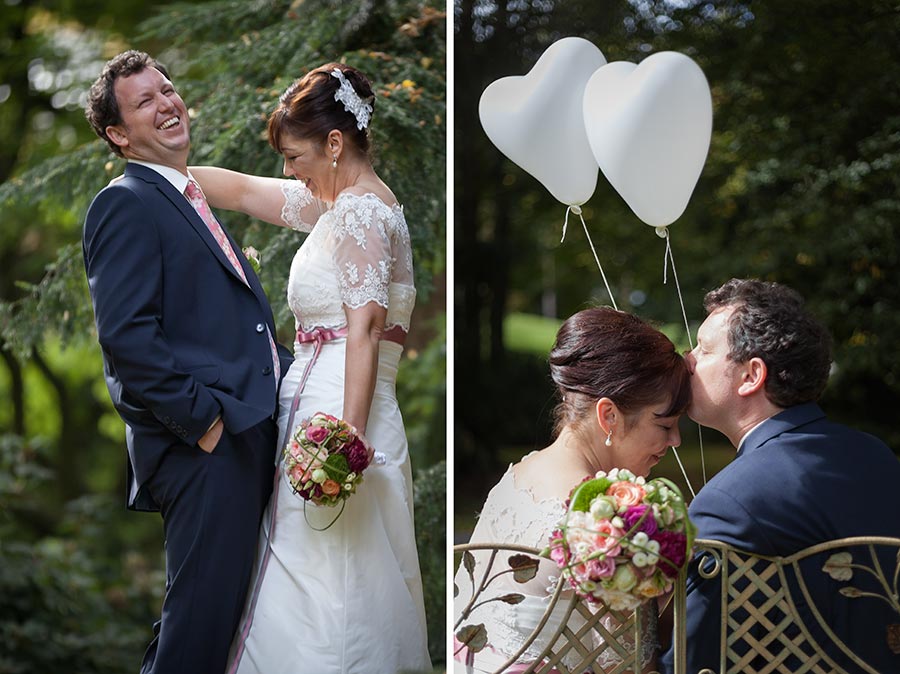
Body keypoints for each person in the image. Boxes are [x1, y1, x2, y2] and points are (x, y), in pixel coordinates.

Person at [186, 63, 430, 674]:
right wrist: (163, 173)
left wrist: (345, 441)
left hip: (342, 412)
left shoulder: (360, 215)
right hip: (315, 402)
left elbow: (367, 332)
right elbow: (241, 191)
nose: (288, 170)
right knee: (311, 570)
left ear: (334, 143)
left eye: (295, 156)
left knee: (336, 580)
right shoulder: (337, 205)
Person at [82, 51, 291, 674]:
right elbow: (127, 341)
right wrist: (205, 426)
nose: (167, 104)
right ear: (119, 134)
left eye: (167, 90)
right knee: (198, 634)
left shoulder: (187, 199)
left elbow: (229, 327)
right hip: (203, 449)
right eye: (144, 102)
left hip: (243, 436)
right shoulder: (125, 203)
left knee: (220, 626)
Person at [659, 278, 900, 674]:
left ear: (751, 376)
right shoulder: (876, 455)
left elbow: (695, 662)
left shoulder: (728, 502)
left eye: (703, 349)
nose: (687, 360)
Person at [453, 307, 691, 673]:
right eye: (665, 425)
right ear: (608, 415)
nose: (675, 441)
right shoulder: (597, 519)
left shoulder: (520, 473)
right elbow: (624, 661)